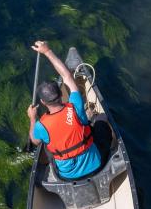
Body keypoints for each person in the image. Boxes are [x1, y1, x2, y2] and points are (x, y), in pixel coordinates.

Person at [27, 40, 101, 180]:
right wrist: (47, 51)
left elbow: (34, 141)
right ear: (61, 95)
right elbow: (67, 76)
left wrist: (32, 118)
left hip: (68, 176)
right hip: (95, 166)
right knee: (101, 121)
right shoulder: (75, 106)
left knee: (48, 148)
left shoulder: (41, 125)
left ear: (43, 102)